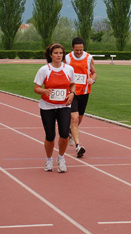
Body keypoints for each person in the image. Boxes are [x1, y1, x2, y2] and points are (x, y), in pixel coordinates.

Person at [34, 43, 76, 173]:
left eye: (61, 53)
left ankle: (61, 158)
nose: (59, 55)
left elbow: (73, 84)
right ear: (51, 55)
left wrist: (72, 93)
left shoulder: (69, 69)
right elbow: (36, 88)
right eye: (56, 53)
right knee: (50, 135)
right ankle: (48, 159)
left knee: (64, 134)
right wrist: (44, 91)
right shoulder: (44, 70)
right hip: (47, 107)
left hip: (64, 105)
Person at [65, 36, 97, 158]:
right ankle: (78, 146)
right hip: (72, 92)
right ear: (73, 48)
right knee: (74, 117)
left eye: (81, 50)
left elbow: (94, 73)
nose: (79, 52)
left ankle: (70, 131)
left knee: (79, 119)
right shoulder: (67, 58)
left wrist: (92, 80)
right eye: (77, 50)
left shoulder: (89, 58)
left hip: (84, 92)